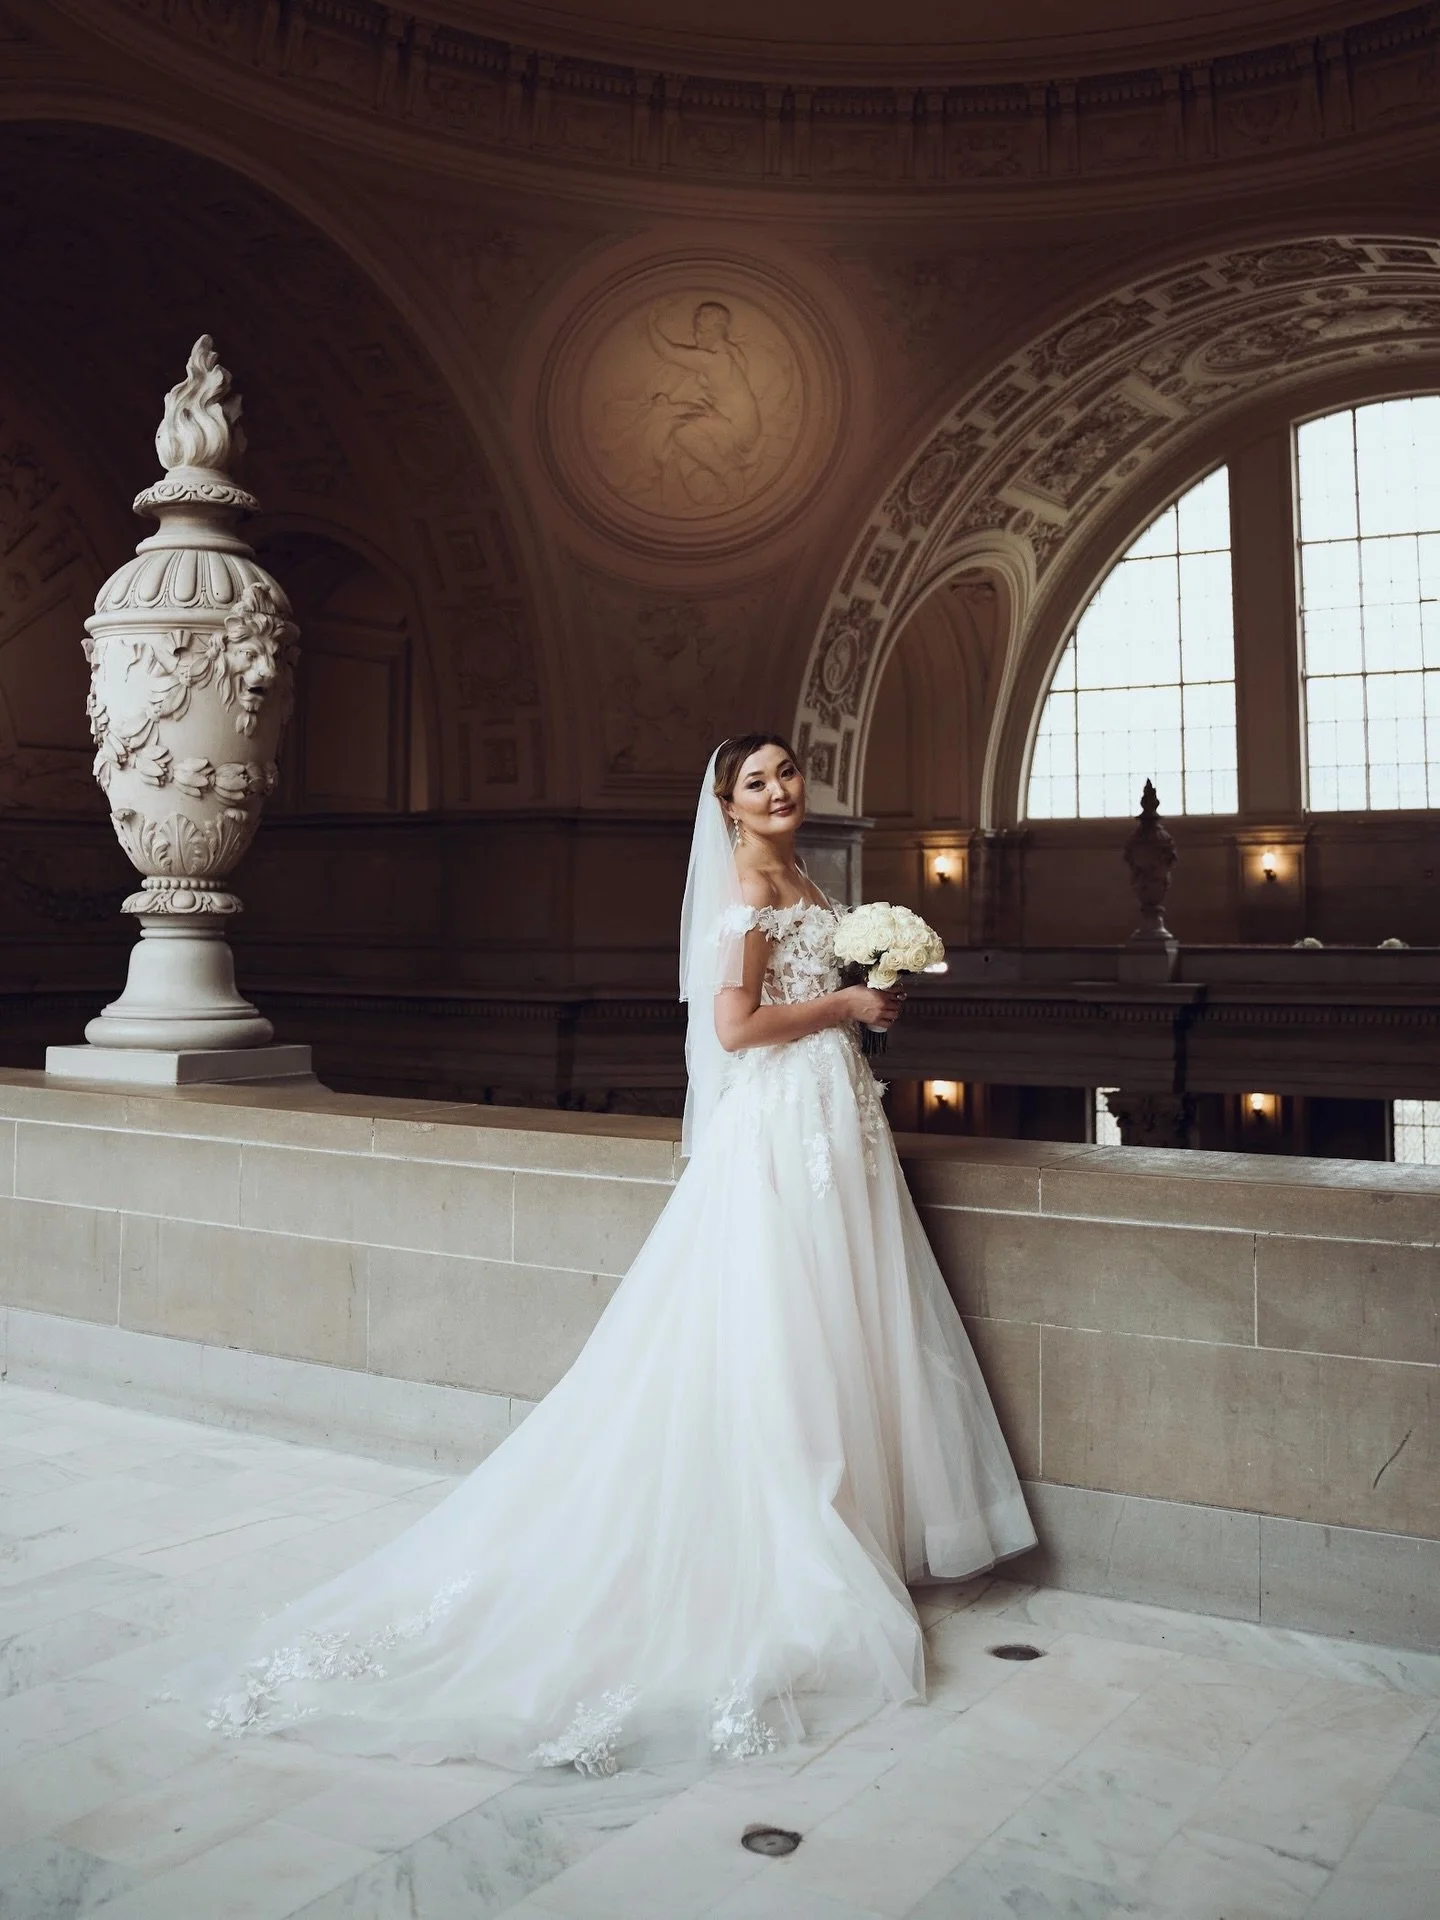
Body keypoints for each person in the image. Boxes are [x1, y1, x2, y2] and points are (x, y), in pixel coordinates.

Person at [170, 734, 1035, 1774]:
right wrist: (846, 1004)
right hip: (780, 1127)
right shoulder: (751, 882)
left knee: (844, 1308)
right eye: (755, 781)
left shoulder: (804, 874)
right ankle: (780, 1529)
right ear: (726, 805)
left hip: (832, 1114)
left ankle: (854, 1524)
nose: (778, 789)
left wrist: (869, 1000)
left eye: (787, 772)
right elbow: (734, 1028)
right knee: (778, 1317)